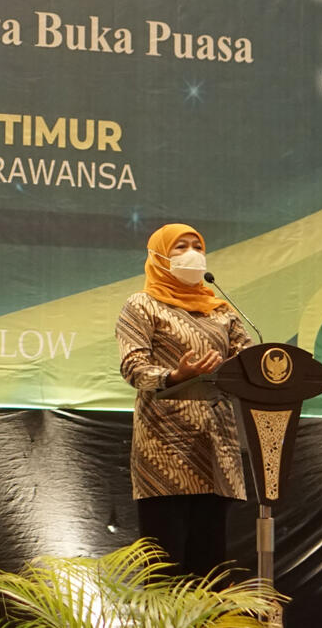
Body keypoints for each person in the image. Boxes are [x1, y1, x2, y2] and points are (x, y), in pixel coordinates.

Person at [116, 223, 252, 577]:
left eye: (197, 245)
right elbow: (133, 367)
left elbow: (249, 362)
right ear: (159, 255)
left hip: (217, 447)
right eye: (180, 246)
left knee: (210, 571)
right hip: (165, 450)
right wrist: (175, 375)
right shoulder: (142, 305)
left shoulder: (221, 310)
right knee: (164, 568)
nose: (192, 253)